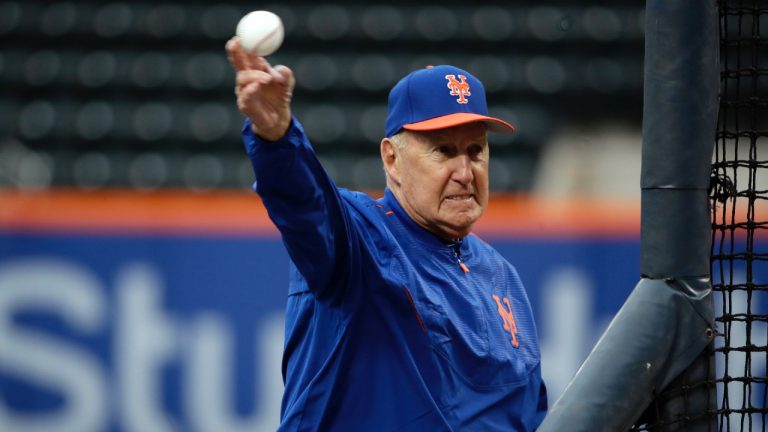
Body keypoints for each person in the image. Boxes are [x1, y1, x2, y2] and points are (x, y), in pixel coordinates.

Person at [226, 37, 547, 431]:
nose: (465, 172)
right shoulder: (362, 240)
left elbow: (527, 417)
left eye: (476, 151)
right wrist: (277, 138)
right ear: (392, 159)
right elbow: (306, 207)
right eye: (444, 151)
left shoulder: (501, 276)